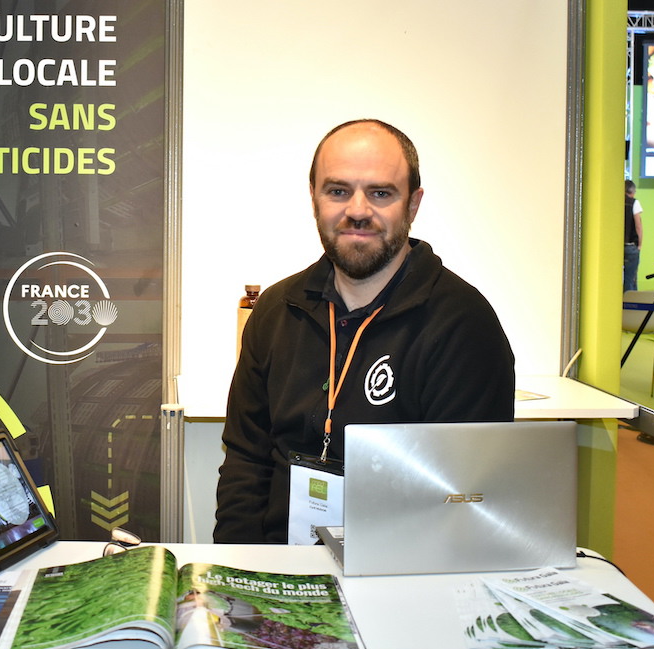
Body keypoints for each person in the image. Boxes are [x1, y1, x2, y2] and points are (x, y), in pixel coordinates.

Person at [214, 119, 515, 544]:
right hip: (280, 565)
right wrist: (240, 565)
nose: (357, 210)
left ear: (413, 205)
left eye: (380, 193)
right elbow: (246, 461)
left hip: (398, 572)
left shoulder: (463, 326)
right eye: (338, 191)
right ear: (314, 199)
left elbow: (462, 503)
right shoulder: (276, 311)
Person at [624, 180, 643, 291]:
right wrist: (639, 245)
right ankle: (630, 300)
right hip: (630, 246)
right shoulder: (634, 203)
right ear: (633, 192)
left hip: (616, 247)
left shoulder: (615, 202)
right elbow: (638, 226)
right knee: (630, 279)